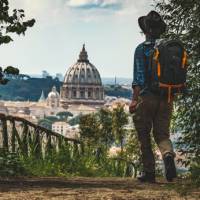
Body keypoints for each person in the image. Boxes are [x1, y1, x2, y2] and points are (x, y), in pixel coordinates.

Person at [129, 10, 177, 183]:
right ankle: (168, 155)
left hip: (147, 97)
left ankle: (149, 172)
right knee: (162, 134)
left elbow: (139, 79)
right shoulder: (168, 48)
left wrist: (134, 100)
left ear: (146, 30)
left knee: (143, 134)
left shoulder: (142, 49)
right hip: (167, 97)